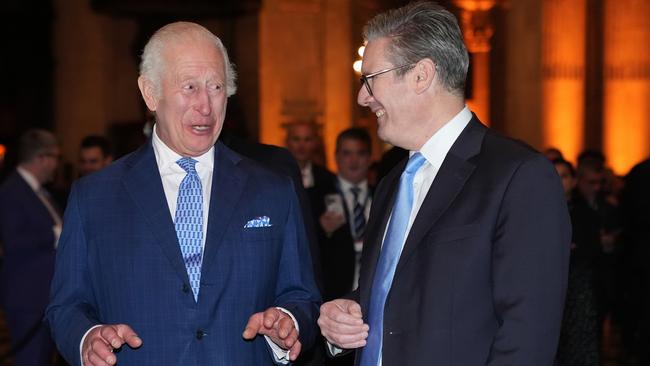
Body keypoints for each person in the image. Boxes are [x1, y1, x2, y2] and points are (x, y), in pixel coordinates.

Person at [46, 22, 320, 365]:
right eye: (189, 87)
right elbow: (66, 306)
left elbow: (303, 296)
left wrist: (289, 322)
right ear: (150, 93)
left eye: (216, 87)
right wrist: (86, 339)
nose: (205, 106)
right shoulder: (94, 197)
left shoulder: (273, 189)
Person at [317, 2, 571, 365]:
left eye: (371, 79)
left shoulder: (518, 176)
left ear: (421, 75)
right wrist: (354, 309)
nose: (363, 97)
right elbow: (414, 292)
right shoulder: (392, 182)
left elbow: (526, 340)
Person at [0, 129, 62, 365]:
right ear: (42, 158)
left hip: (43, 300)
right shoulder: (11, 191)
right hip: (28, 300)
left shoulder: (39, 192)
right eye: (55, 157)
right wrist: (54, 233)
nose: (57, 164)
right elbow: (14, 240)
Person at [318, 128, 373, 301]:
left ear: (370, 157)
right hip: (332, 296)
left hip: (373, 293)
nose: (354, 161)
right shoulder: (315, 197)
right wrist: (322, 230)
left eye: (360, 153)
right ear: (336, 157)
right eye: (347, 153)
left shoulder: (385, 195)